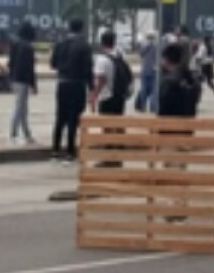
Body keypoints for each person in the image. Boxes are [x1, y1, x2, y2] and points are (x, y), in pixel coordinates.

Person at [49, 18, 94, 164]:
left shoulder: (60, 44)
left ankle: (55, 151)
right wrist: (91, 87)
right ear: (81, 29)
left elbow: (53, 64)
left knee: (60, 118)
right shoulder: (84, 46)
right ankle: (70, 152)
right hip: (77, 84)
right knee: (74, 119)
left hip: (62, 83)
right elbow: (88, 69)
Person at [8, 23, 38, 146]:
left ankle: (26, 133)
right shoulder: (28, 48)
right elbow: (29, 68)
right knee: (21, 108)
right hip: (23, 80)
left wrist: (10, 78)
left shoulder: (15, 45)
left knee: (22, 107)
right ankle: (14, 133)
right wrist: (33, 84)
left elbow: (11, 63)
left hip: (15, 79)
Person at [91, 30, 133, 116]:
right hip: (120, 96)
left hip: (107, 97)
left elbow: (101, 80)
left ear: (101, 43)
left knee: (107, 126)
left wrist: (94, 96)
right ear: (114, 42)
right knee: (118, 125)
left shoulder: (101, 59)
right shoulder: (120, 56)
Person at [158, 43, 202, 119]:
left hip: (168, 127)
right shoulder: (191, 79)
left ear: (167, 60)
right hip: (188, 128)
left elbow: (163, 110)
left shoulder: (168, 82)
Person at [135, 32, 159, 113]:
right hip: (154, 70)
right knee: (153, 90)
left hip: (145, 70)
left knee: (144, 90)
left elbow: (141, 54)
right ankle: (152, 107)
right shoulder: (157, 46)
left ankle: (143, 107)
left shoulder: (145, 46)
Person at [194, 36, 214, 103]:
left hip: (204, 66)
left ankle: (198, 98)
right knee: (209, 82)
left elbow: (199, 57)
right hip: (210, 65)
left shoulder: (203, 47)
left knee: (199, 82)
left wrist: (197, 65)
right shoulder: (210, 47)